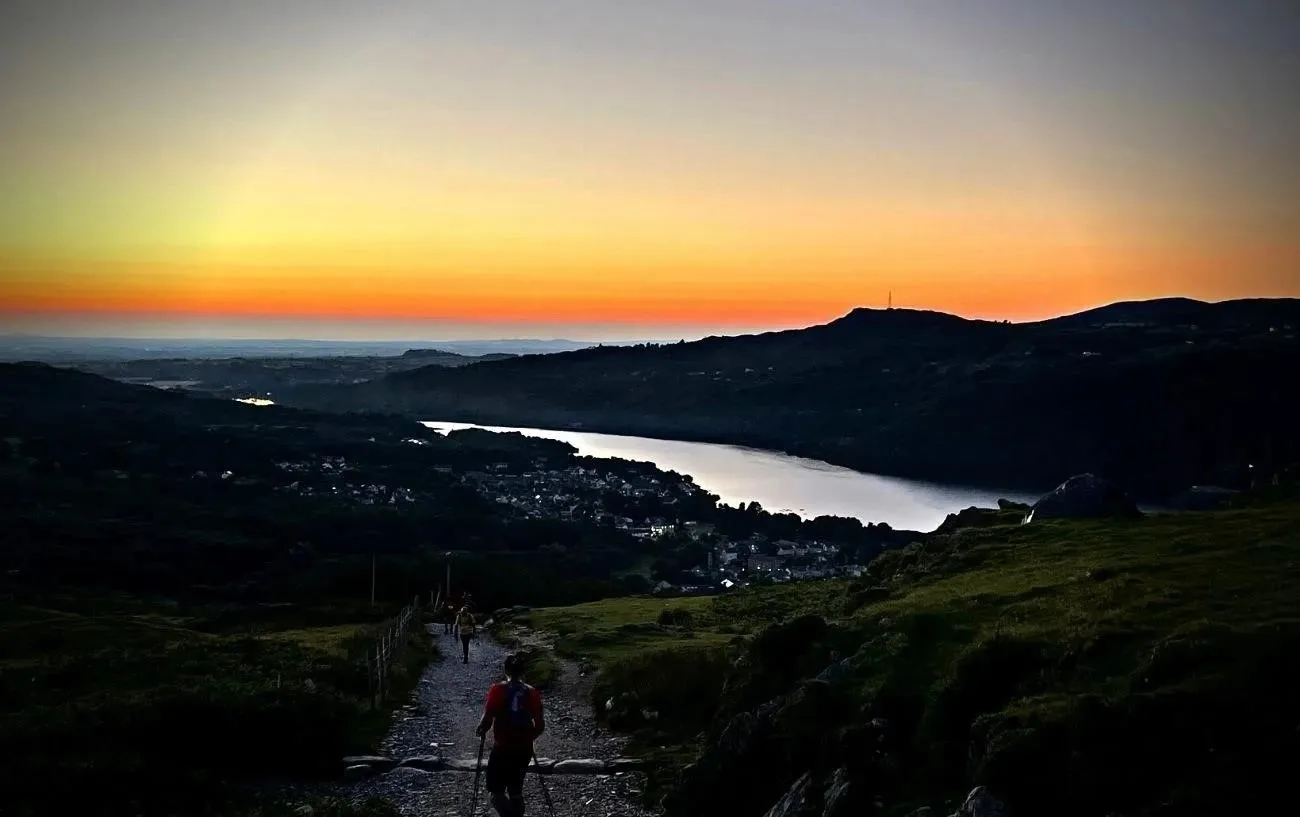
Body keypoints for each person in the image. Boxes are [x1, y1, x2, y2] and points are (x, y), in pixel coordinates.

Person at [476, 654, 544, 817]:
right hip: (524, 749)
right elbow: (540, 725)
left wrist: (481, 729)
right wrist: (528, 737)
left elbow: (488, 718)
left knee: (495, 791)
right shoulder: (532, 692)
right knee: (516, 790)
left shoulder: (498, 690)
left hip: (502, 748)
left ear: (505, 669)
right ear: (523, 671)